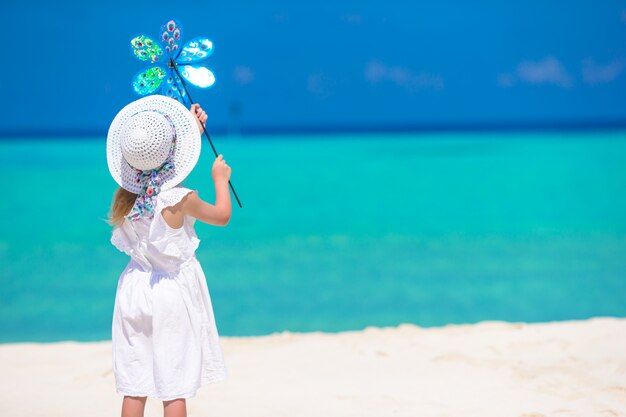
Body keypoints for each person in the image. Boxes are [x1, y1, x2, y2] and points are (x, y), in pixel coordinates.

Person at [105, 95, 232, 417]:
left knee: (136, 381)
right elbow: (221, 216)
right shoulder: (179, 198)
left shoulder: (127, 196)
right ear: (174, 154)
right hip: (170, 294)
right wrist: (220, 180)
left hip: (133, 290)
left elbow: (159, 166)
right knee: (173, 382)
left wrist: (192, 130)